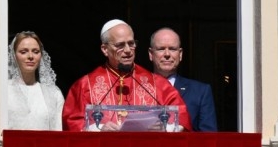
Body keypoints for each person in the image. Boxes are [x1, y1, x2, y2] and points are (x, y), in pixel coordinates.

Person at [62, 19, 191, 132]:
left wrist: (164, 127)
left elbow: (182, 119)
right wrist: (99, 129)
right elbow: (71, 124)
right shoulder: (85, 85)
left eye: (131, 43)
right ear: (105, 49)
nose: (128, 50)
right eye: (120, 45)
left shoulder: (157, 84)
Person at [149, 28, 218, 132]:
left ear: (180, 54)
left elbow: (209, 137)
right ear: (151, 54)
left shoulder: (200, 92)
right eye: (161, 49)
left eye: (172, 49)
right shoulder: (137, 88)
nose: (167, 54)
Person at [7, 31, 63, 131]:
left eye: (36, 52)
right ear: (14, 55)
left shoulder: (53, 93)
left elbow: (58, 129)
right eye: (23, 52)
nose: (30, 56)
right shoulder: (4, 90)